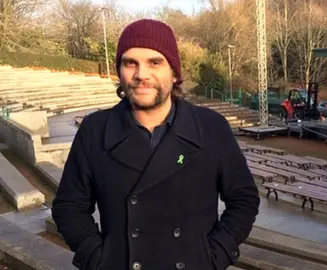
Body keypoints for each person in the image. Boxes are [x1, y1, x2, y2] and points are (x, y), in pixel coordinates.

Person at [51, 19, 260, 270]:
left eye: (155, 62)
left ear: (174, 73)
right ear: (119, 71)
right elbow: (68, 207)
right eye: (130, 63)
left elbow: (244, 198)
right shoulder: (95, 130)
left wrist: (216, 256)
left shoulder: (211, 127)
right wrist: (99, 260)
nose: (141, 75)